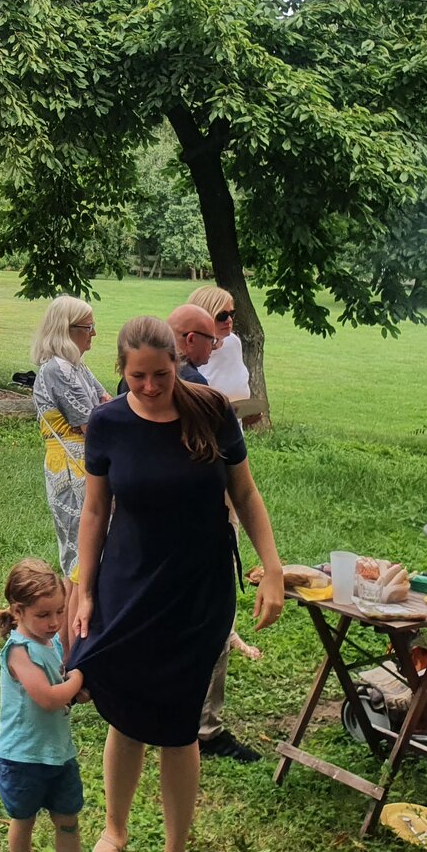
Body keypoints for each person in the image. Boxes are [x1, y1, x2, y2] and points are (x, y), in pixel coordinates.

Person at [71, 317, 284, 852]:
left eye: (160, 375)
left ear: (177, 364)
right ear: (122, 371)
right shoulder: (107, 423)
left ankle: (175, 846)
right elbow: (95, 510)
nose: (150, 386)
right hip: (129, 583)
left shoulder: (210, 410)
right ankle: (115, 830)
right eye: (137, 376)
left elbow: (245, 493)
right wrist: (85, 587)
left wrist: (273, 568)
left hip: (197, 589)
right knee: (126, 713)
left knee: (180, 719)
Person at [181, 292, 262, 759]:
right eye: (221, 317)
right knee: (205, 618)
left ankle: (189, 718)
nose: (229, 324)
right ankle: (204, 728)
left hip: (212, 499)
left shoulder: (199, 369)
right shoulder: (190, 385)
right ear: (190, 336)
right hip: (203, 517)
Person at [0, 559, 87, 852]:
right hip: (23, 757)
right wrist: (77, 680)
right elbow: (47, 699)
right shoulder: (19, 651)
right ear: (17, 611)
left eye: (60, 611)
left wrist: (75, 692)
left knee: (68, 819)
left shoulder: (52, 642)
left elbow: (59, 688)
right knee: (24, 820)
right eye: (43, 615)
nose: (54, 622)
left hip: (59, 753)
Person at [31, 297, 111, 580]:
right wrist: (99, 416)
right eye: (88, 327)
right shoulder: (57, 369)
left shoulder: (77, 366)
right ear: (66, 330)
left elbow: (105, 403)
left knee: (88, 550)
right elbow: (93, 424)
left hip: (81, 463)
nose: (94, 333)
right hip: (69, 468)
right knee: (80, 555)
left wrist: (100, 414)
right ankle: (75, 609)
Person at [189, 286, 249, 402]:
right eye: (222, 316)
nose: (229, 320)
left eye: (232, 314)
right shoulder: (189, 352)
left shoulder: (233, 342)